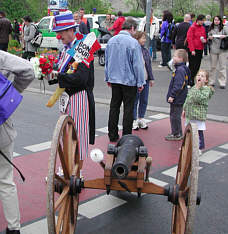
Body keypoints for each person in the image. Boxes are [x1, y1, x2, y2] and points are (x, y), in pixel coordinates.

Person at [52, 11, 96, 160]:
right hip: (66, 97)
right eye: (57, 33)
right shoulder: (65, 49)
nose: (59, 36)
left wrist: (59, 76)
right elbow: (63, 71)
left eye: (60, 32)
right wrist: (49, 73)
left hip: (79, 96)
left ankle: (77, 171)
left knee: (78, 134)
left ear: (71, 30)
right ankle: (65, 168)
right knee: (64, 133)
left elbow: (81, 78)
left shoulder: (83, 47)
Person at [0, 50, 35, 234]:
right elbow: (28, 69)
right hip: (1, 127)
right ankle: (14, 229)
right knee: (5, 181)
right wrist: (11, 94)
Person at [105, 18, 145, 142]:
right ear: (132, 28)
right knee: (128, 108)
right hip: (129, 80)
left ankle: (112, 133)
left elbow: (107, 62)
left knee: (114, 106)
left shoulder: (111, 41)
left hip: (114, 79)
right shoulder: (133, 43)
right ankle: (126, 136)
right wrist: (140, 81)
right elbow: (138, 65)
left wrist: (108, 77)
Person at [183, 70, 214, 154]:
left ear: (206, 80)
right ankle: (186, 146)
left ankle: (199, 147)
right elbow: (188, 98)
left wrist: (197, 88)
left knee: (198, 132)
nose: (199, 77)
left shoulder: (206, 90)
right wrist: (184, 108)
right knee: (188, 131)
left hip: (198, 115)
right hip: (190, 113)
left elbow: (199, 98)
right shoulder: (194, 87)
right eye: (198, 75)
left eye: (202, 76)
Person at [165, 49, 190, 141]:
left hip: (177, 97)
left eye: (175, 56)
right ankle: (177, 132)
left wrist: (172, 95)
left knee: (174, 115)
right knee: (175, 115)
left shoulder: (179, 70)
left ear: (180, 58)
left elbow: (178, 85)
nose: (173, 57)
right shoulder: (183, 68)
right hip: (181, 97)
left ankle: (176, 133)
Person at [132, 31, 155, 130]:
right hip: (136, 81)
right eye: (142, 38)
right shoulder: (133, 50)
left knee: (144, 100)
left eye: (145, 38)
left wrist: (151, 78)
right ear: (136, 39)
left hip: (145, 79)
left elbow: (148, 65)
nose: (144, 40)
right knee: (135, 100)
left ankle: (141, 118)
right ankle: (134, 119)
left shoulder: (145, 51)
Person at [208, 15, 228, 89]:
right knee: (213, 67)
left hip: (223, 50)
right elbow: (208, 36)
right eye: (215, 20)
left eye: (218, 20)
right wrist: (209, 37)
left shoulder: (224, 28)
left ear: (220, 21)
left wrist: (224, 36)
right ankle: (211, 81)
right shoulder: (211, 28)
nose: (216, 21)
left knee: (222, 66)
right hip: (213, 49)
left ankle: (222, 82)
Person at [186, 14, 206, 87]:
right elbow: (189, 39)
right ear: (198, 20)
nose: (203, 22)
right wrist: (192, 49)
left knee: (197, 66)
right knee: (192, 66)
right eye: (202, 21)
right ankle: (189, 81)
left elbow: (204, 37)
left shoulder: (202, 28)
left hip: (200, 48)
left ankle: (192, 79)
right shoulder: (192, 27)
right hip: (193, 49)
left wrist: (204, 40)